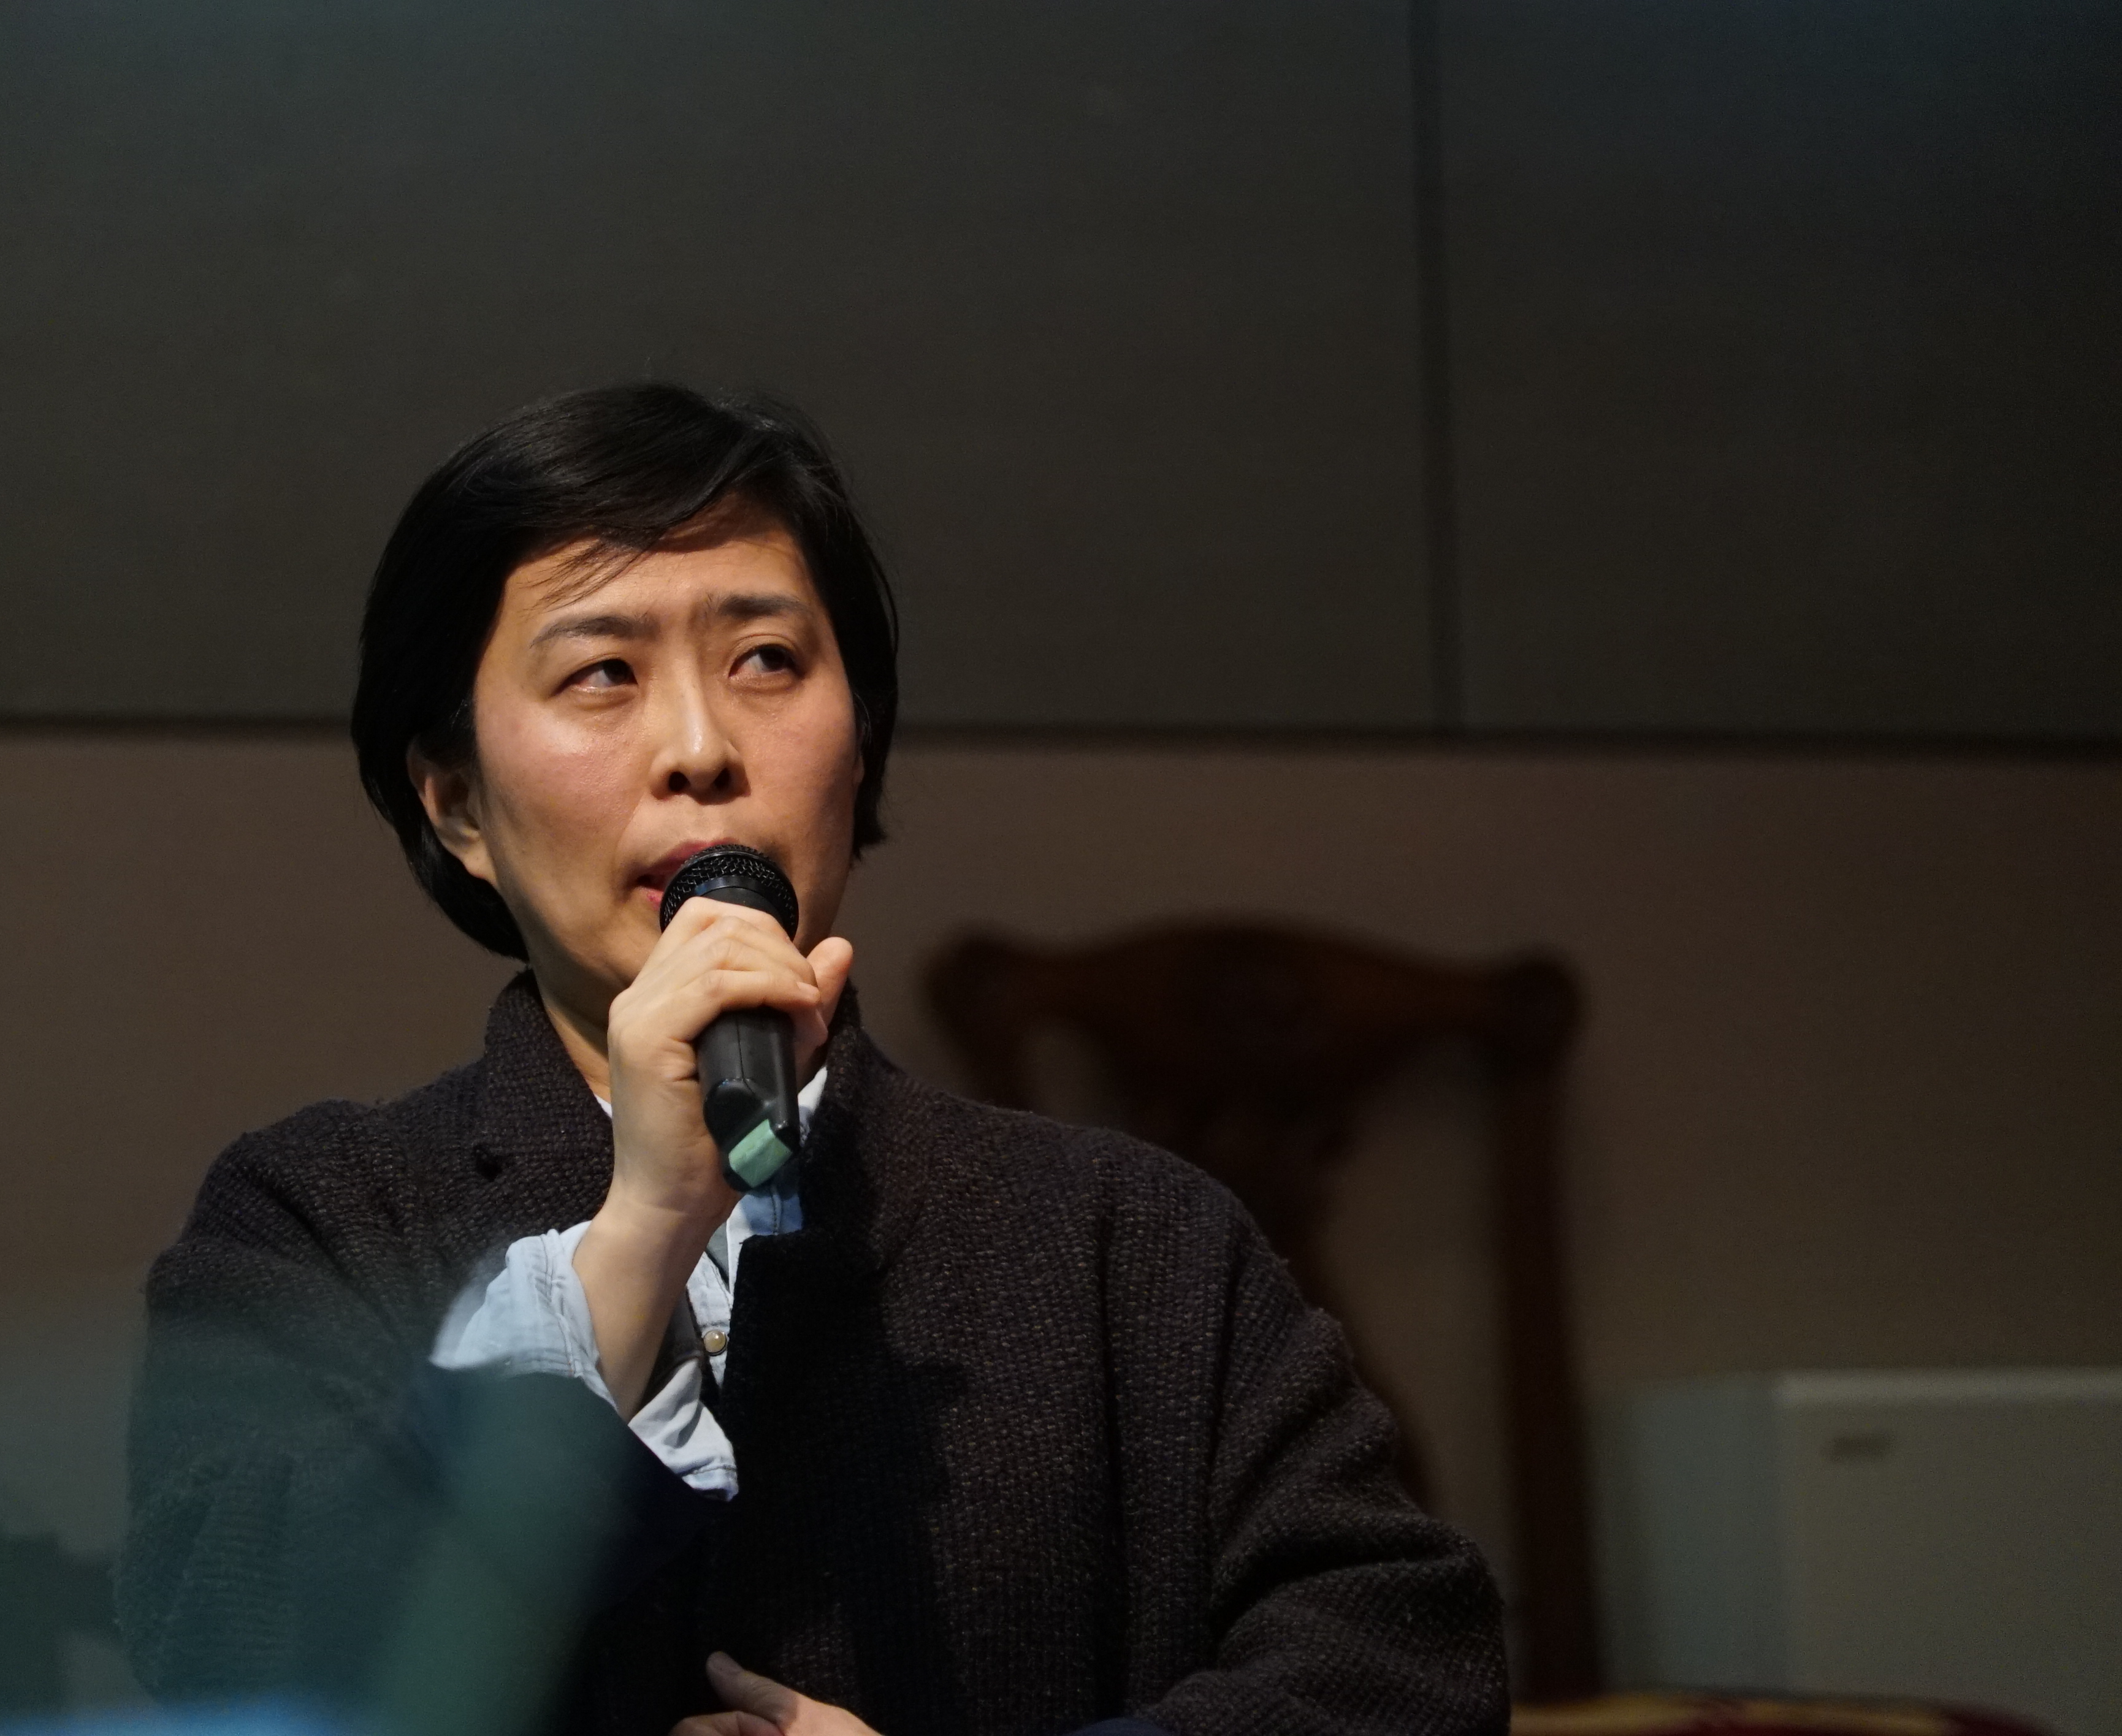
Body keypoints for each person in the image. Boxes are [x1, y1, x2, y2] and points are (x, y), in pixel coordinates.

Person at [118, 383, 1508, 1736]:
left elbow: (1405, 1666)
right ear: (458, 803)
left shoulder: (1131, 1242)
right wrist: (640, 1236)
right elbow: (235, 1653)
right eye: (603, 674)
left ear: (861, 740)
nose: (700, 749)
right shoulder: (319, 1219)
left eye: (767, 660)